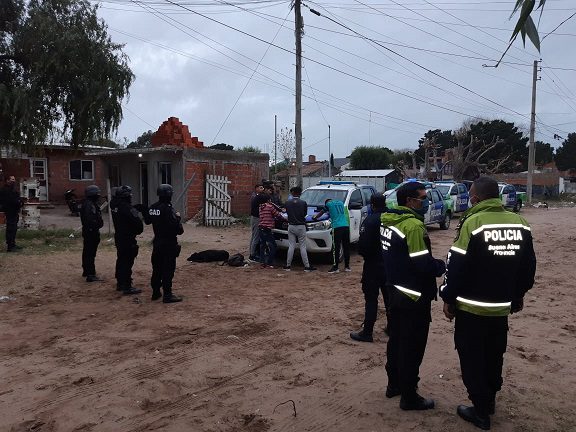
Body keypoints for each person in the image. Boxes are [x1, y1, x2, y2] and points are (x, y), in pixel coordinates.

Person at [440, 177, 536, 430]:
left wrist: (448, 297)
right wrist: (518, 295)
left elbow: (456, 266)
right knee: (494, 354)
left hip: (471, 308)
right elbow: (528, 267)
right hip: (501, 308)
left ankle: (480, 412)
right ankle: (490, 399)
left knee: (472, 358)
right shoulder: (520, 223)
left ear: (476, 198)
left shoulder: (473, 222)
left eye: (471, 195)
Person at [380, 182, 445, 411]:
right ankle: (409, 396)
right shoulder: (413, 226)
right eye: (422, 199)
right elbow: (422, 264)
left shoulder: (387, 221)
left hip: (394, 292)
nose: (425, 203)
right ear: (409, 201)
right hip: (414, 297)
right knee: (413, 346)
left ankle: (393, 385)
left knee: (396, 341)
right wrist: (441, 265)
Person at [350, 193, 388, 342]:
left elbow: (362, 247)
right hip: (390, 265)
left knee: (371, 299)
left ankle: (367, 332)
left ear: (372, 204)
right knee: (389, 298)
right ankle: (392, 328)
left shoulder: (370, 220)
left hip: (373, 265)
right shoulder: (393, 219)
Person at [144, 184, 184, 303]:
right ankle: (167, 295)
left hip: (157, 243)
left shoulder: (154, 207)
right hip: (169, 243)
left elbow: (147, 221)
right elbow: (179, 230)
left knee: (157, 268)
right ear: (169, 194)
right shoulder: (168, 209)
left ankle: (155, 292)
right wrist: (178, 218)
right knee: (168, 269)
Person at [111, 185, 143, 295]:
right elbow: (139, 226)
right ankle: (127, 286)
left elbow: (121, 209)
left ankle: (120, 283)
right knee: (127, 262)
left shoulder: (114, 204)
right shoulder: (128, 208)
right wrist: (135, 210)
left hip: (119, 236)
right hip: (128, 238)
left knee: (121, 260)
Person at [313, 198, 350, 273]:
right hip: (346, 226)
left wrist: (315, 217)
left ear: (326, 203)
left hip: (337, 227)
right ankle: (347, 267)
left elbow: (321, 213)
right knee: (346, 247)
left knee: (336, 247)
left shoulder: (328, 204)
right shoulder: (340, 202)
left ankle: (336, 267)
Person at [283, 186, 316, 272]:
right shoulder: (303, 203)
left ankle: (288, 265)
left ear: (292, 193)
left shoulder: (287, 202)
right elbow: (305, 214)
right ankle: (307, 266)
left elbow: (286, 212)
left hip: (291, 225)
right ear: (300, 193)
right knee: (302, 247)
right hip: (301, 226)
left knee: (291, 246)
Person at [80, 185, 104, 282]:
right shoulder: (90, 205)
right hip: (91, 232)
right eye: (97, 194)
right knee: (90, 253)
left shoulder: (88, 203)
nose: (98, 196)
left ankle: (86, 271)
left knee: (87, 252)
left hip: (88, 231)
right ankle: (90, 274)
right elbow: (91, 219)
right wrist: (97, 225)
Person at [258, 194, 285, 269]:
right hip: (267, 228)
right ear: (268, 200)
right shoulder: (270, 207)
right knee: (273, 246)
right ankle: (270, 262)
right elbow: (278, 215)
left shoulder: (260, 207)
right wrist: (285, 219)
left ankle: (262, 262)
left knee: (262, 246)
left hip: (261, 227)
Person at [1, 176, 23, 252]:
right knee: (11, 228)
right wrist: (19, 202)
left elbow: (17, 198)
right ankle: (10, 246)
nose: (14, 181)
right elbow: (12, 200)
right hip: (10, 211)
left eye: (14, 179)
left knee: (14, 228)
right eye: (12, 179)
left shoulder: (12, 189)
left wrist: (20, 201)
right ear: (7, 180)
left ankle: (13, 244)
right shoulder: (5, 190)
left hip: (14, 211)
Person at [248, 184, 266, 262]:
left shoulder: (256, 196)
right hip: (256, 218)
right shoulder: (256, 196)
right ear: (256, 189)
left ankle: (252, 253)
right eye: (260, 188)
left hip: (255, 217)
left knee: (254, 236)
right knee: (256, 236)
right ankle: (252, 255)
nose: (262, 189)